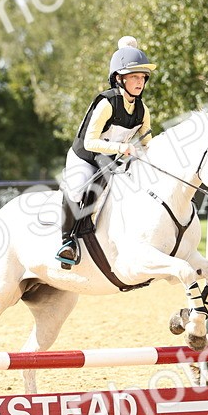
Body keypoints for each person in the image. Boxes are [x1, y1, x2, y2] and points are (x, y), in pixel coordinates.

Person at [56, 36, 156, 267]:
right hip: (86, 157)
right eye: (134, 77)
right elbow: (90, 142)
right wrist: (122, 147)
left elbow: (147, 143)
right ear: (119, 79)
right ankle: (67, 243)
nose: (140, 82)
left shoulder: (142, 110)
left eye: (142, 77)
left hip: (111, 162)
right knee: (78, 189)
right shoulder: (106, 103)